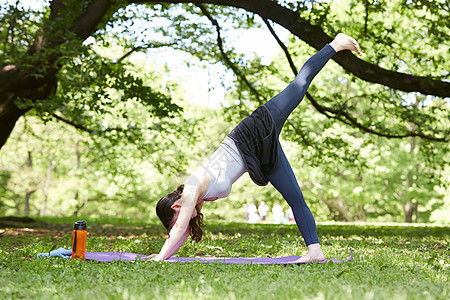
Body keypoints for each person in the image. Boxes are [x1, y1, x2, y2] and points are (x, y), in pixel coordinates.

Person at [150, 34, 362, 262]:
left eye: (176, 218)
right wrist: (163, 255)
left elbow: (179, 228)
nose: (184, 222)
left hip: (252, 133)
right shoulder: (195, 202)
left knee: (299, 86)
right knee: (295, 197)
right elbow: (181, 232)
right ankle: (315, 251)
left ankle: (334, 45)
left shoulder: (191, 188)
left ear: (177, 205)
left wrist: (160, 257)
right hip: (258, 157)